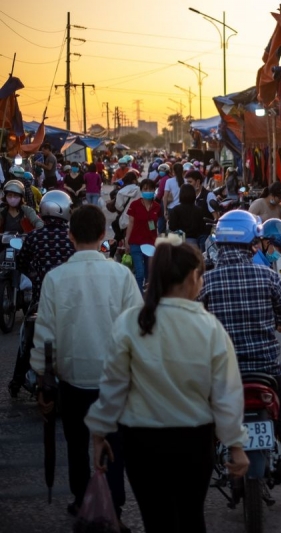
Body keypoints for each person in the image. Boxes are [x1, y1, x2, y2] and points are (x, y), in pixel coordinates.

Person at [85, 239, 249, 532]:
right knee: (191, 517)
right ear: (191, 279)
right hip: (194, 442)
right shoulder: (209, 327)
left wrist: (99, 433)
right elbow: (227, 394)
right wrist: (235, 445)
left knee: (156, 521)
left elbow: (112, 387)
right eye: (201, 277)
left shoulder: (129, 323)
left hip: (141, 443)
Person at [30, 205, 142, 528]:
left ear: (70, 236)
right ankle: (115, 510)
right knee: (115, 446)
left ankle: (82, 500)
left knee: (77, 444)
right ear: (104, 235)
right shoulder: (121, 275)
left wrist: (42, 380)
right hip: (115, 381)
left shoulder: (55, 279)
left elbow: (45, 334)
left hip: (72, 380)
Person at [199, 210, 281, 504]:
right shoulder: (266, 275)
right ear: (253, 243)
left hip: (224, 373)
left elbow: (196, 323)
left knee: (206, 421)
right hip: (265, 368)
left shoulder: (207, 282)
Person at [8, 190, 76, 395]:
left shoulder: (34, 237)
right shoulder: (72, 238)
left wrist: (35, 274)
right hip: (71, 302)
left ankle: (16, 383)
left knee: (27, 343)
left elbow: (21, 263)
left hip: (41, 302)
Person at [124, 178, 160, 293]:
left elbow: (158, 226)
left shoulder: (157, 207)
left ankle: (148, 295)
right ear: (141, 190)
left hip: (150, 243)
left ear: (154, 190)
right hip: (136, 242)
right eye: (145, 189)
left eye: (150, 189)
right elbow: (131, 223)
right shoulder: (134, 205)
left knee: (149, 273)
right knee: (139, 272)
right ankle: (138, 297)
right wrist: (127, 240)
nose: (148, 191)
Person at [185, 170, 217, 251]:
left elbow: (216, 218)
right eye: (186, 182)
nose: (187, 185)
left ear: (198, 182)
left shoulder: (209, 195)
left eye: (190, 182)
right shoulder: (187, 197)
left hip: (204, 235)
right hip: (191, 235)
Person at [167, 184, 207, 248]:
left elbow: (172, 227)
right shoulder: (198, 210)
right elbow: (202, 229)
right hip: (195, 242)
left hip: (179, 242)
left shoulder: (175, 210)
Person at [163, 162, 186, 226]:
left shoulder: (169, 181)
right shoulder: (186, 181)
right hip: (183, 209)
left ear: (173, 171)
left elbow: (165, 196)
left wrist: (165, 210)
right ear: (182, 171)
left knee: (172, 229)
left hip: (172, 209)